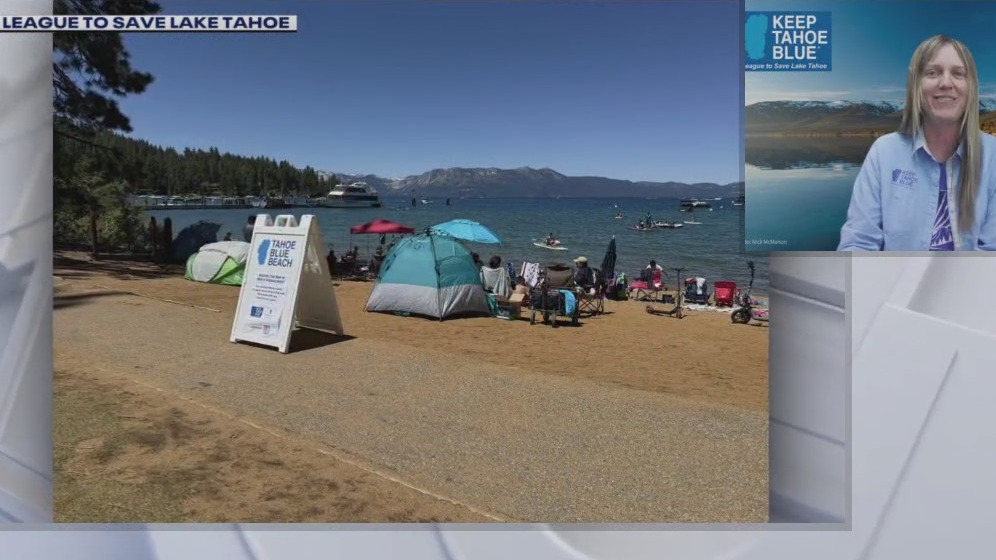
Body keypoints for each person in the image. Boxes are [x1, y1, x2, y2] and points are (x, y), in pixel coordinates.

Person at [838, 35, 996, 251]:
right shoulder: (884, 152)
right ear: (916, 85)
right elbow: (859, 243)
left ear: (972, 87)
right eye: (932, 72)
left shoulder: (993, 156)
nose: (946, 83)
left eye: (958, 73)